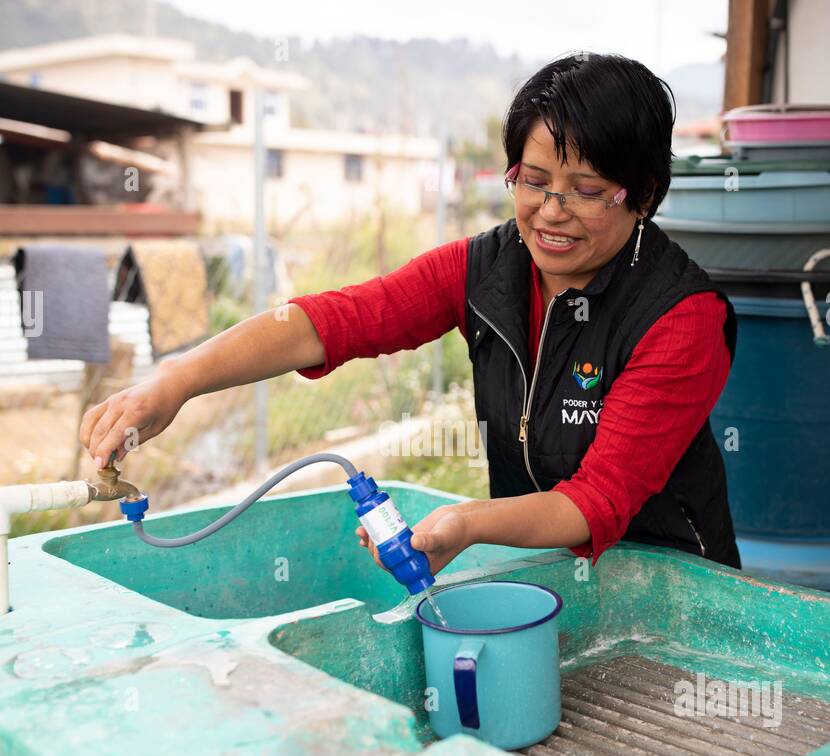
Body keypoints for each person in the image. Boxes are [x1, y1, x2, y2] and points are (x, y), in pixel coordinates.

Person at [80, 52, 740, 577]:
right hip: (546, 571)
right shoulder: (488, 268)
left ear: (645, 195)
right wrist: (178, 380)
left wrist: (472, 524)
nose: (551, 210)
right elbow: (335, 320)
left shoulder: (681, 319)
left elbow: (598, 501)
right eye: (533, 180)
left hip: (672, 589)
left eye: (587, 191)